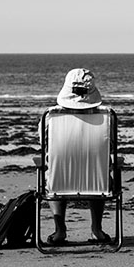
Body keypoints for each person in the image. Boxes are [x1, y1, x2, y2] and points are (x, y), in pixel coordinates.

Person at [41, 68, 112, 245]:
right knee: (100, 169)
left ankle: (60, 231)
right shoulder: (106, 118)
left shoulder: (51, 117)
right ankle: (97, 229)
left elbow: (43, 145)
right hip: (98, 182)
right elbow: (110, 146)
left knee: (54, 171)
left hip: (59, 180)